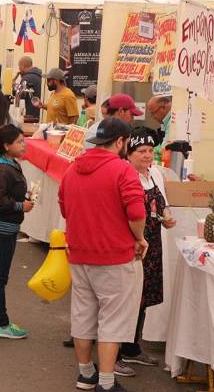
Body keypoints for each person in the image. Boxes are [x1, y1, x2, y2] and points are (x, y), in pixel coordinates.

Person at [59, 117, 146, 392]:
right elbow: (136, 212)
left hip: (80, 253)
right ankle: (106, 383)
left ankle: (86, 374)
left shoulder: (73, 169)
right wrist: (140, 238)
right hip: (115, 256)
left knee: (83, 314)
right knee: (113, 319)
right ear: (120, 142)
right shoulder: (123, 170)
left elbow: (64, 208)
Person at [119, 127, 176, 368]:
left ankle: (132, 346)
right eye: (141, 151)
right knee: (126, 300)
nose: (147, 155)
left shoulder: (153, 175)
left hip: (151, 245)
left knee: (142, 299)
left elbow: (161, 203)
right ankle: (116, 353)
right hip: (132, 245)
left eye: (150, 150)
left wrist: (166, 215)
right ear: (129, 153)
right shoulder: (123, 175)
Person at [0, 124, 32, 339]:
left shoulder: (8, 164)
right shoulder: (2, 169)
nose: (24, 144)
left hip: (3, 228)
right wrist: (21, 206)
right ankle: (2, 324)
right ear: (6, 145)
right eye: (19, 141)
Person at [146, 95, 172, 162]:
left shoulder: (172, 122)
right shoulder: (165, 121)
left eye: (153, 113)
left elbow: (164, 148)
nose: (153, 117)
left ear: (163, 107)